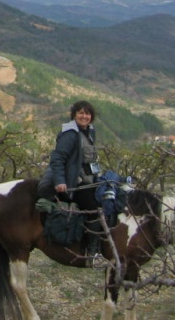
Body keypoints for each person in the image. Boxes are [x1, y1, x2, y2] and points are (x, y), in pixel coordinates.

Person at [37, 100, 103, 267]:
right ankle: (92, 252)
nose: (84, 116)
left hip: (87, 180)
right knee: (94, 209)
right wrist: (60, 181)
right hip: (72, 183)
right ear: (74, 115)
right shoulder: (70, 134)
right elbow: (58, 159)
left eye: (87, 113)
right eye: (80, 113)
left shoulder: (89, 132)